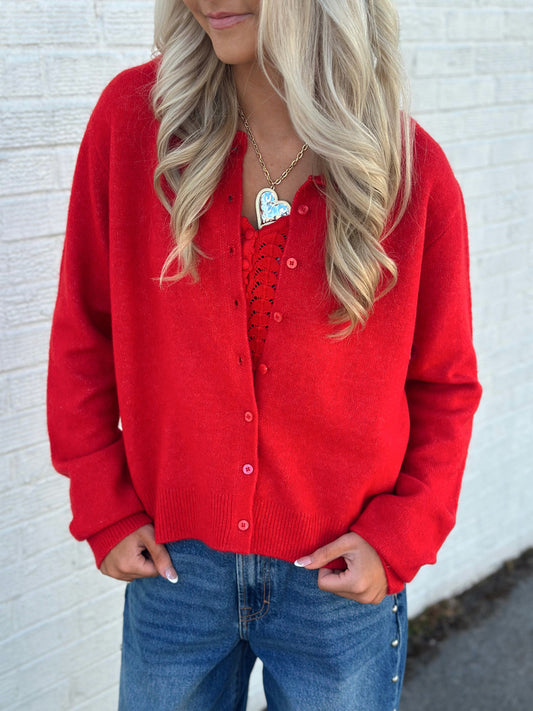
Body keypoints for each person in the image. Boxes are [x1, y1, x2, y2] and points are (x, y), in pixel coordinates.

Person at [47, 1, 482, 709]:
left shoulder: (407, 174)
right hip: (176, 570)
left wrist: (399, 536)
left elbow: (444, 384)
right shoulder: (136, 125)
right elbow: (84, 333)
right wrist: (104, 504)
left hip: (337, 584)